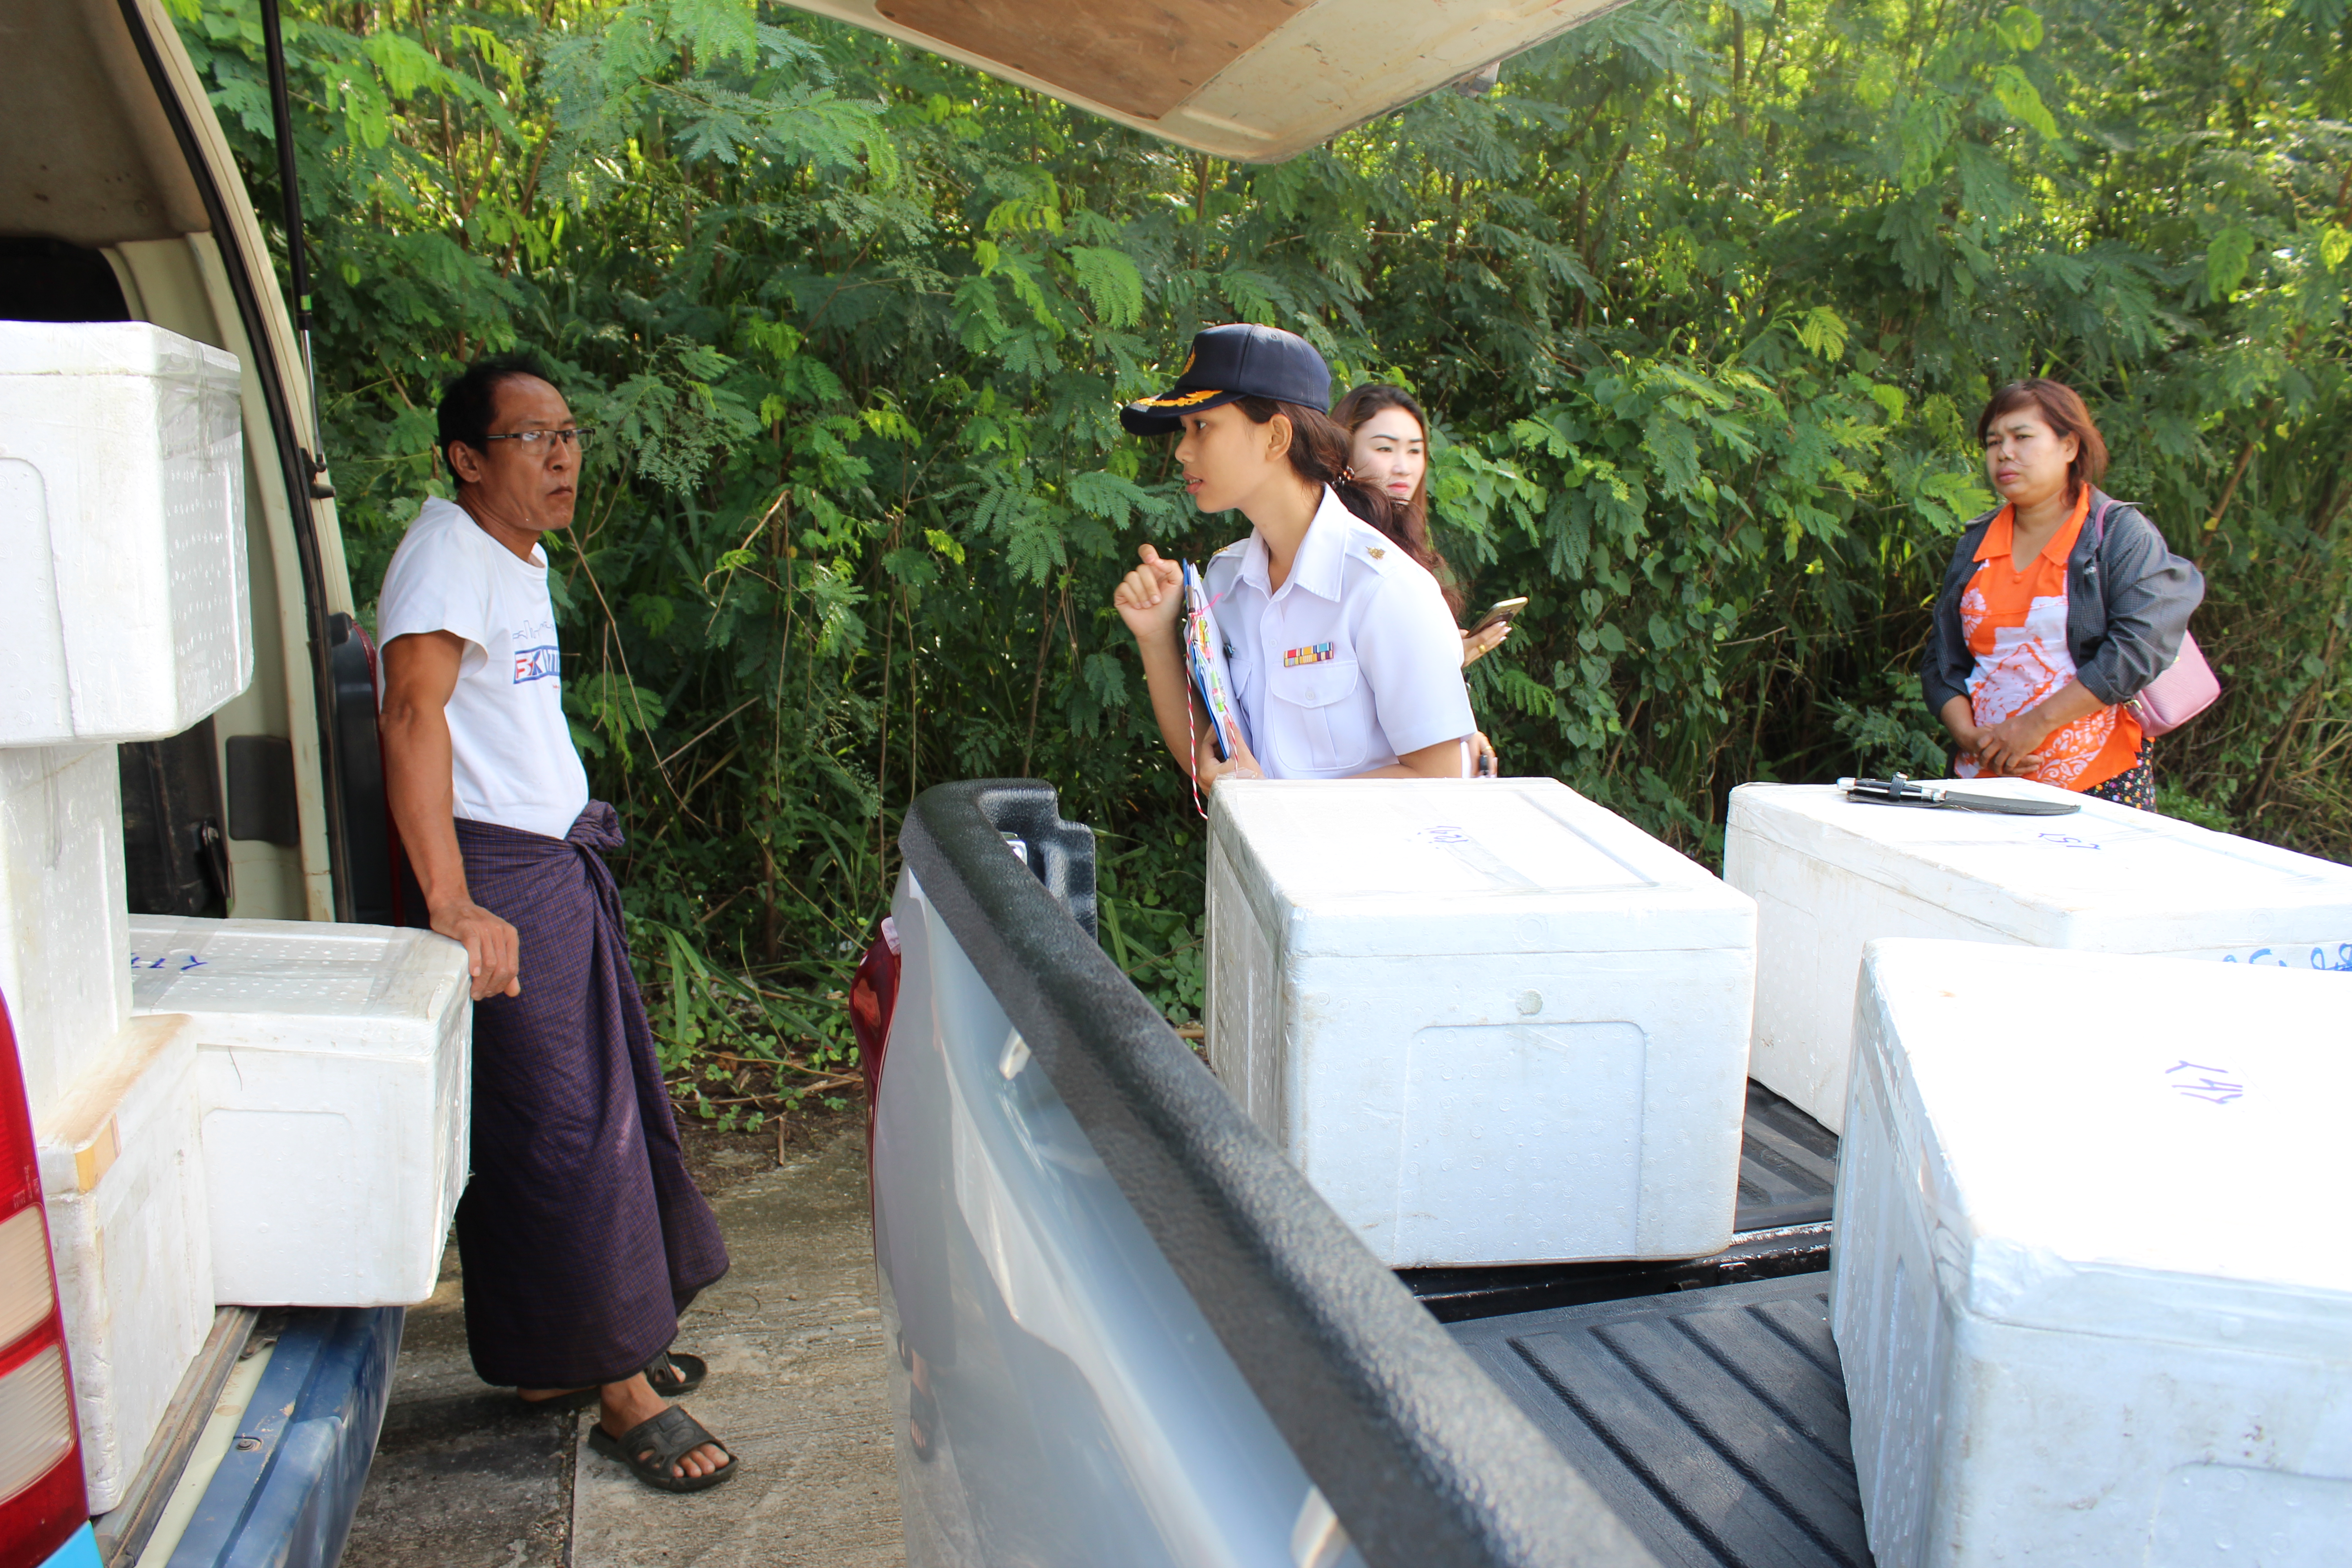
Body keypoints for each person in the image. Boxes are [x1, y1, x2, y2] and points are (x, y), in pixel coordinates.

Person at [377, 353, 738, 1493]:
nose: (561, 452)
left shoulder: (511, 554)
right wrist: (451, 899)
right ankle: (620, 1388)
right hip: (495, 874)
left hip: (545, 862)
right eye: (530, 436)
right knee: (569, 1132)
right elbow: (409, 713)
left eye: (567, 432)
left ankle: (554, 1357)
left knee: (572, 1113)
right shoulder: (445, 556)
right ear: (467, 458)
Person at [1112, 325, 1477, 789]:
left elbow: (1442, 777)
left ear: (1276, 437)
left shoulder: (1383, 587)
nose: (1183, 449)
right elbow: (1218, 762)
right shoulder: (1227, 579)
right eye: (1185, 430)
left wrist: (1273, 805)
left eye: (1202, 426)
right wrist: (1154, 636)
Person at [1921, 378, 2203, 808]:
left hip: (2095, 787)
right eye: (1993, 441)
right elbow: (1942, 659)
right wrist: (1970, 736)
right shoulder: (1974, 544)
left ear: (2070, 446)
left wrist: (2035, 725)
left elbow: (2139, 647)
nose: (2005, 453)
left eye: (2023, 437)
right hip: (1981, 783)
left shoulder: (2118, 535)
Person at [1332, 382, 1511, 669]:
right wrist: (1445, 660)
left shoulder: (1403, 539)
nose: (1403, 466)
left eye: (1415, 451)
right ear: (1344, 453)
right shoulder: (1336, 542)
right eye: (1385, 448)